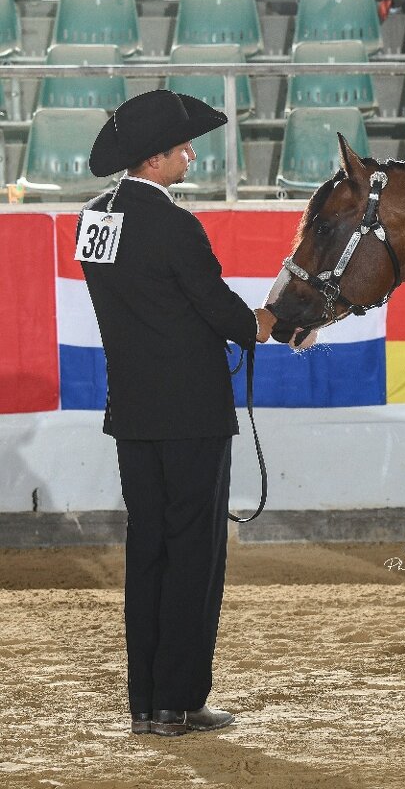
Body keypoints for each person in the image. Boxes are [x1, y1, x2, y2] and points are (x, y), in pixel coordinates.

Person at [81, 89, 277, 737]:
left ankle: (146, 703)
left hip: (132, 413)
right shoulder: (175, 226)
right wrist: (264, 323)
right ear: (155, 159)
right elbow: (219, 311)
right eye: (183, 147)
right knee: (195, 557)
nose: (191, 154)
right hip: (191, 413)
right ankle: (181, 701)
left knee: (149, 553)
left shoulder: (95, 222)